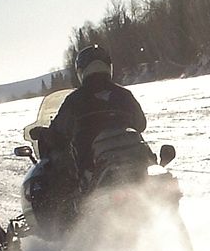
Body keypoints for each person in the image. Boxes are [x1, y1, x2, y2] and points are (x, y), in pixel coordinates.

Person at [47, 44, 147, 191]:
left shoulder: (75, 100)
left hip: (95, 169)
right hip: (137, 163)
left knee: (74, 187)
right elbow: (141, 124)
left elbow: (59, 132)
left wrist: (46, 135)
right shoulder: (123, 95)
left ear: (81, 72)